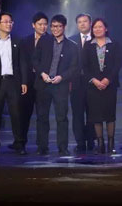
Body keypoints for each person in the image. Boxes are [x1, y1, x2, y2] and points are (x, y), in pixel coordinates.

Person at [0, 12, 29, 155]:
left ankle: (19, 144)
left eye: (11, 22)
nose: (9, 24)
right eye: (6, 22)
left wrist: (24, 81)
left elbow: (22, 62)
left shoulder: (18, 41)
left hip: (14, 82)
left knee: (17, 115)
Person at [34, 14, 79, 155]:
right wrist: (42, 74)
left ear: (64, 27)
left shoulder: (72, 46)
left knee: (62, 117)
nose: (55, 29)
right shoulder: (44, 41)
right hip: (43, 84)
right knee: (42, 116)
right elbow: (35, 60)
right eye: (53, 26)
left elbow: (74, 67)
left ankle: (63, 147)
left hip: (61, 86)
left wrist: (62, 77)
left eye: (59, 26)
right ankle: (42, 147)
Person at [82, 18, 120, 154]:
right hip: (93, 86)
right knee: (96, 115)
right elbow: (84, 66)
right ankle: (100, 143)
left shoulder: (114, 44)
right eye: (95, 27)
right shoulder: (88, 45)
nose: (97, 29)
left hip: (110, 85)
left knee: (110, 114)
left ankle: (111, 143)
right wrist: (94, 80)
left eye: (100, 27)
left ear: (106, 28)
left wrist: (108, 79)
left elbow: (117, 64)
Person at [17, 12, 49, 150]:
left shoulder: (52, 40)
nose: (43, 27)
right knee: (24, 113)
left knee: (43, 115)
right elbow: (22, 62)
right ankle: (21, 143)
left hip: (44, 82)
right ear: (33, 25)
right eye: (40, 24)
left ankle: (42, 145)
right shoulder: (25, 41)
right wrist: (23, 81)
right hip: (28, 82)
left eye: (45, 24)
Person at [70, 13, 95, 153]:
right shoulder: (71, 40)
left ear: (90, 23)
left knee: (92, 114)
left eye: (85, 21)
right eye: (79, 22)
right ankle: (80, 142)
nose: (82, 24)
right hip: (76, 83)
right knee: (77, 114)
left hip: (93, 83)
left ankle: (91, 141)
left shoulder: (97, 39)